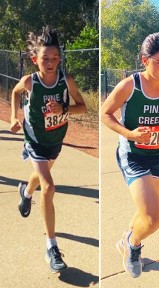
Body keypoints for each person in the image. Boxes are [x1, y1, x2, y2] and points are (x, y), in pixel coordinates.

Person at [101, 32, 159, 278]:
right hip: (132, 155)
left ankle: (127, 240)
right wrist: (129, 134)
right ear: (144, 60)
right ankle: (133, 244)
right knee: (153, 218)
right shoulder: (130, 85)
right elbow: (105, 113)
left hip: (157, 155)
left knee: (145, 212)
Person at [10, 26, 87, 273]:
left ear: (60, 59)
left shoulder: (67, 80)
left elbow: (83, 107)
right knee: (50, 186)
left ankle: (26, 191)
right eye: (45, 58)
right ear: (35, 60)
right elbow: (14, 92)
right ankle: (51, 246)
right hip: (34, 139)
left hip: (55, 140)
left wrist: (63, 111)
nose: (51, 62)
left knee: (40, 179)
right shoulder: (30, 82)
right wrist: (13, 117)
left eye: (55, 58)